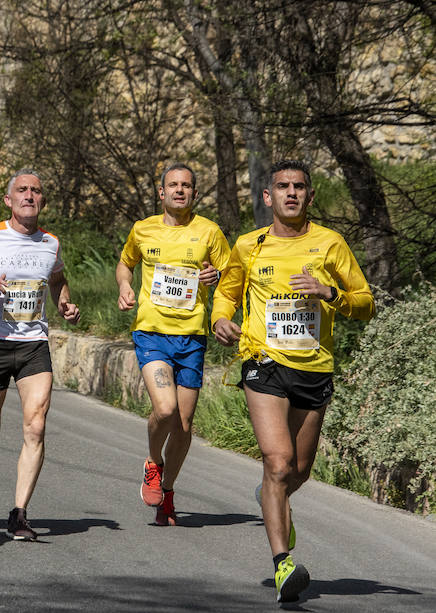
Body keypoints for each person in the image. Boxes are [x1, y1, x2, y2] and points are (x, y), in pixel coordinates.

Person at [211, 160, 375, 603]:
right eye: (282, 186)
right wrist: (220, 319)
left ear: (310, 196)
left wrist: (330, 294)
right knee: (278, 461)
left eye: (299, 187)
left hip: (315, 367)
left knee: (297, 472)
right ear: (268, 197)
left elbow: (366, 303)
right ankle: (283, 564)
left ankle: (272, 495)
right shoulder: (249, 245)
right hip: (263, 361)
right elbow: (227, 291)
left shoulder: (330, 243)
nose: (290, 193)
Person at [0, 169, 79, 540]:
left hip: (33, 345)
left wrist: (65, 304)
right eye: (21, 190)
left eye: (35, 191)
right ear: (8, 200)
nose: (28, 196)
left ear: (42, 201)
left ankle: (19, 513)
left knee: (36, 425)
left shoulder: (50, 243)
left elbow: (57, 279)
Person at [116, 163, 230, 526]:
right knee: (165, 410)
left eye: (186, 186)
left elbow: (231, 275)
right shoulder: (143, 229)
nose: (179, 190)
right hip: (151, 332)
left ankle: (167, 491)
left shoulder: (209, 232)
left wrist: (216, 275)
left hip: (192, 336)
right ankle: (153, 461)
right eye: (173, 185)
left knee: (183, 423)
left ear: (194, 194)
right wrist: (124, 286)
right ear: (161, 193)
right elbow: (124, 263)